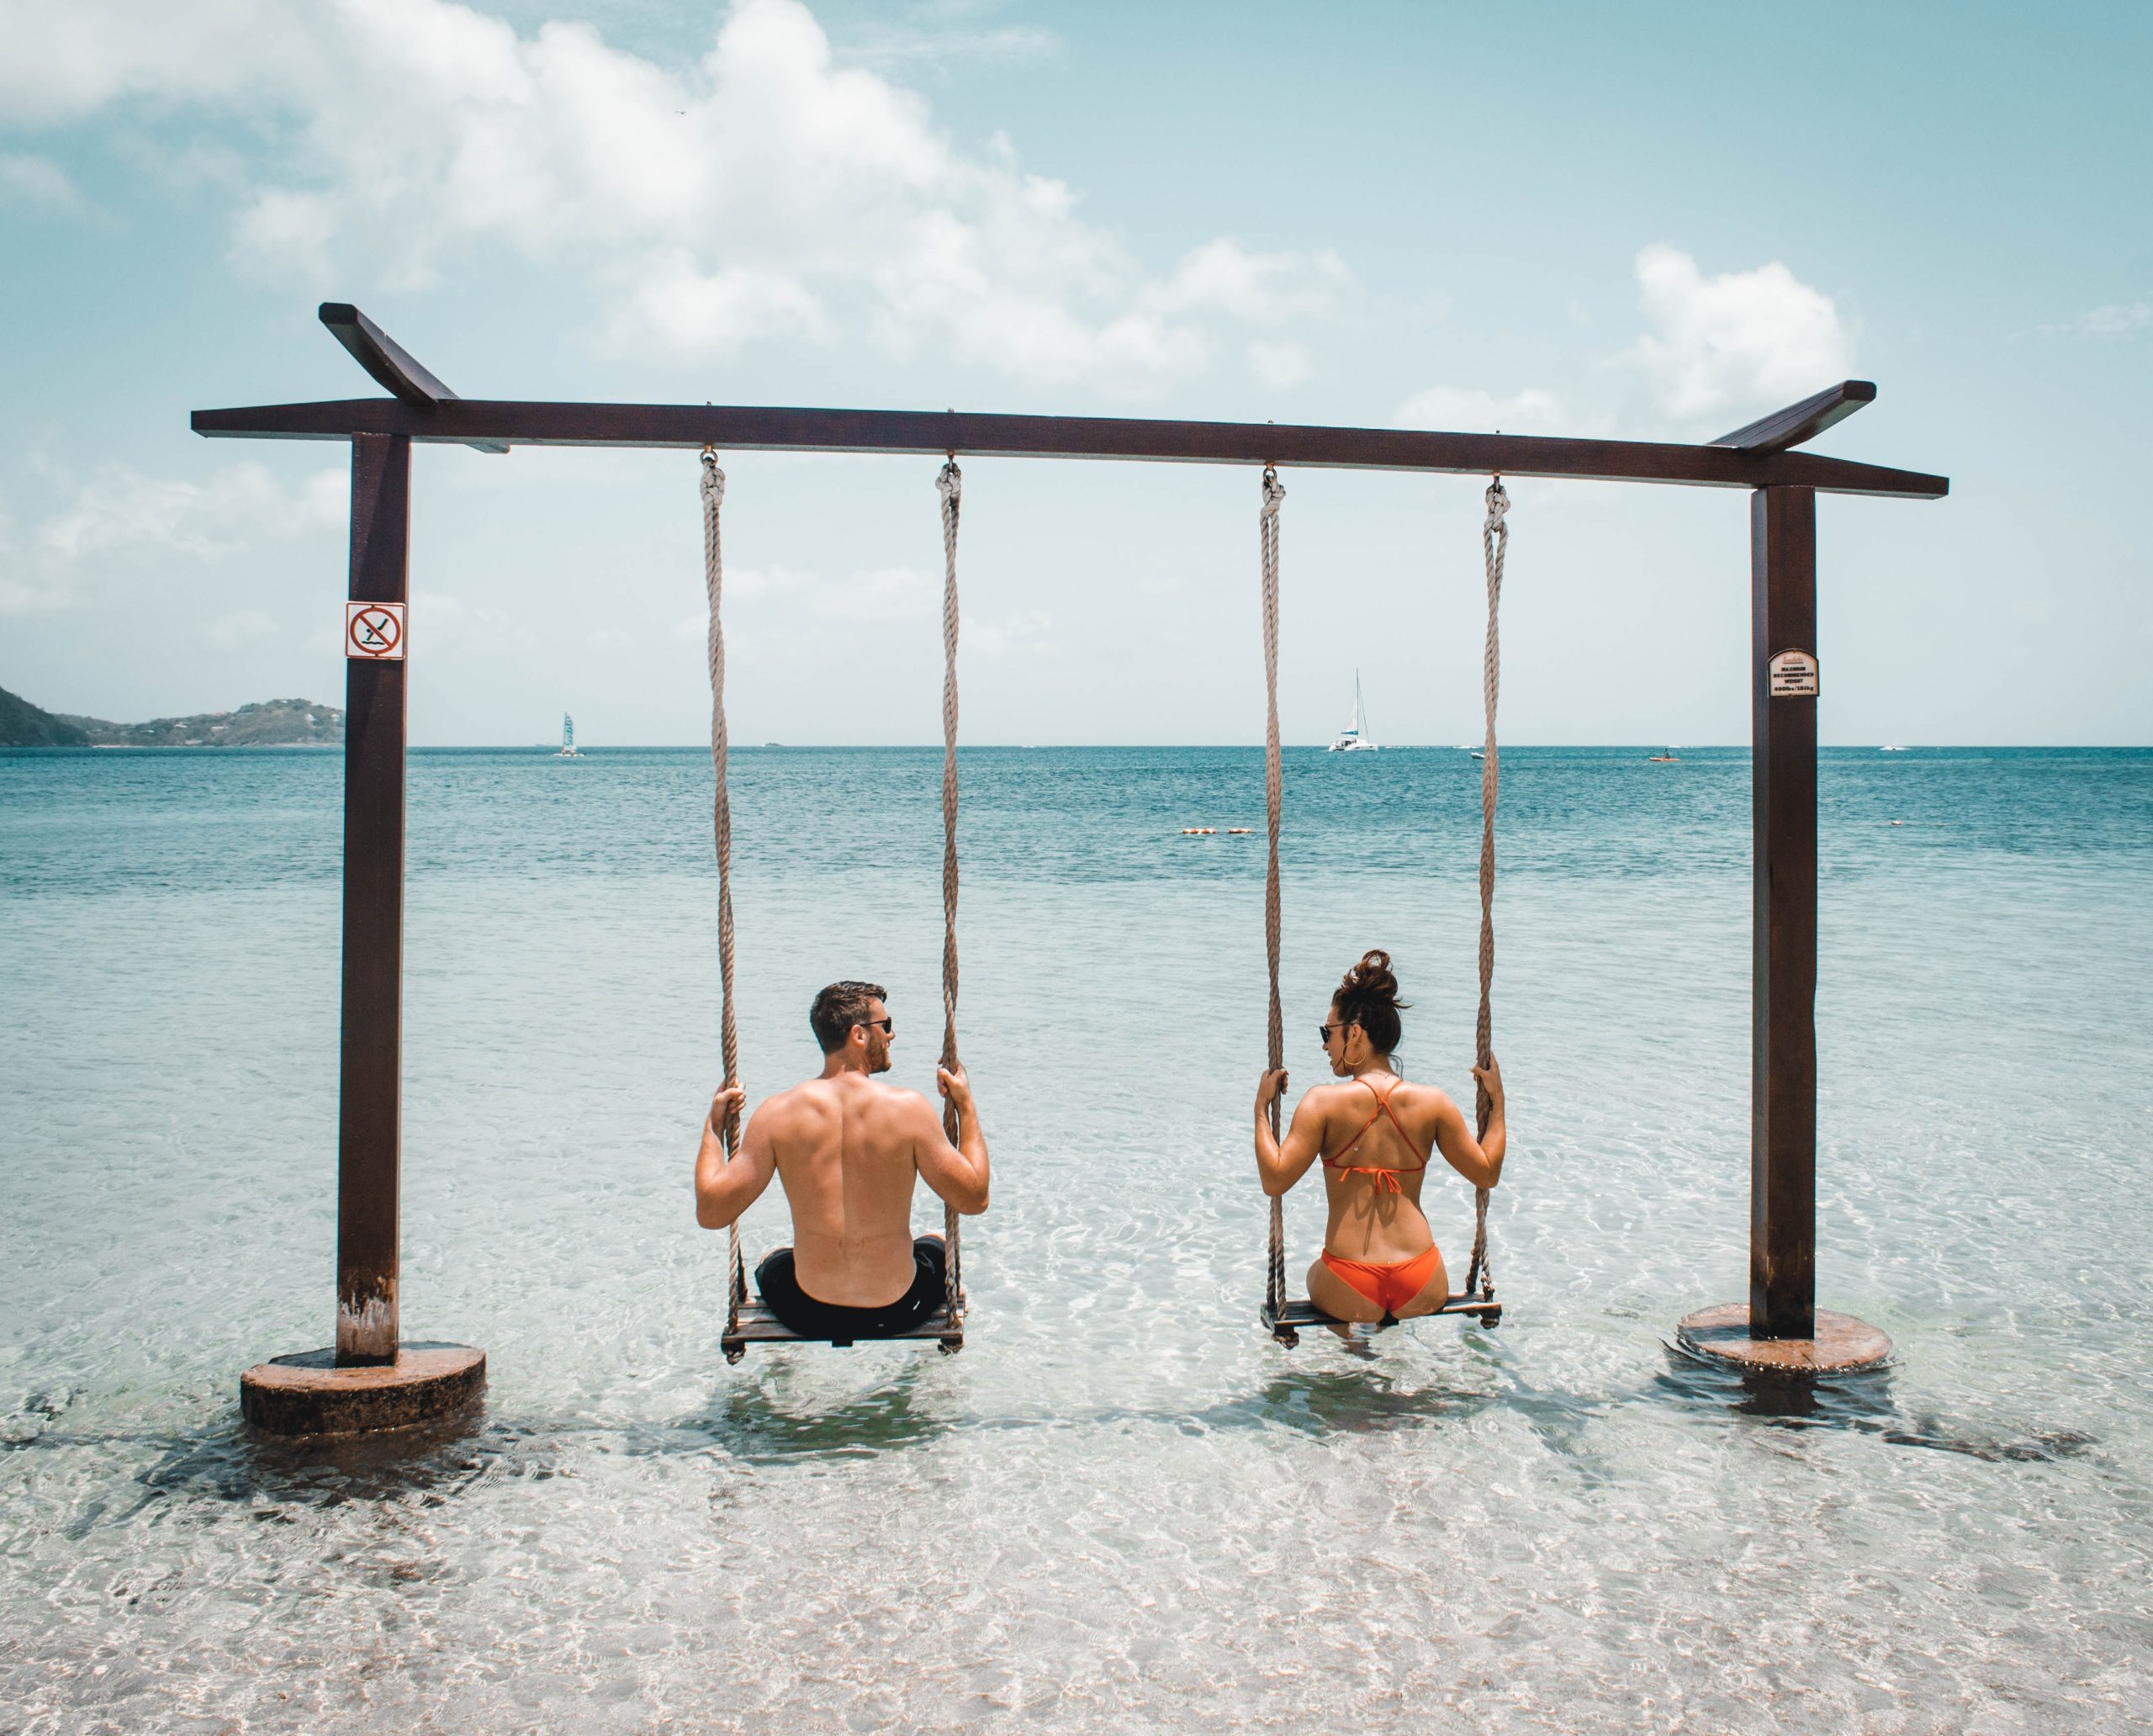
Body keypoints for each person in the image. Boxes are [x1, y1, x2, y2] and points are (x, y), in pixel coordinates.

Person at [694, 980, 990, 1339]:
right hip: (897, 1310)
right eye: (886, 1026)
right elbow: (974, 1199)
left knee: (773, 1261)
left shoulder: (777, 1113)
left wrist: (713, 1126)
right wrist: (967, 1106)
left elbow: (711, 1213)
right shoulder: (909, 1109)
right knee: (934, 1245)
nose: (891, 1036)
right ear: (859, 1035)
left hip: (806, 1311)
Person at [1254, 949, 1505, 1325]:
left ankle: (1356, 1352)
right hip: (1422, 1281)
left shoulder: (1322, 1103)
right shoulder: (1433, 1102)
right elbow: (1487, 1173)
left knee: (1313, 1274)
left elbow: (1274, 1180)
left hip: (1349, 1283)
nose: (1325, 1045)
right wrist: (1498, 1101)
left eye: (1328, 1033)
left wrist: (1260, 1108)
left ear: (1355, 1033)